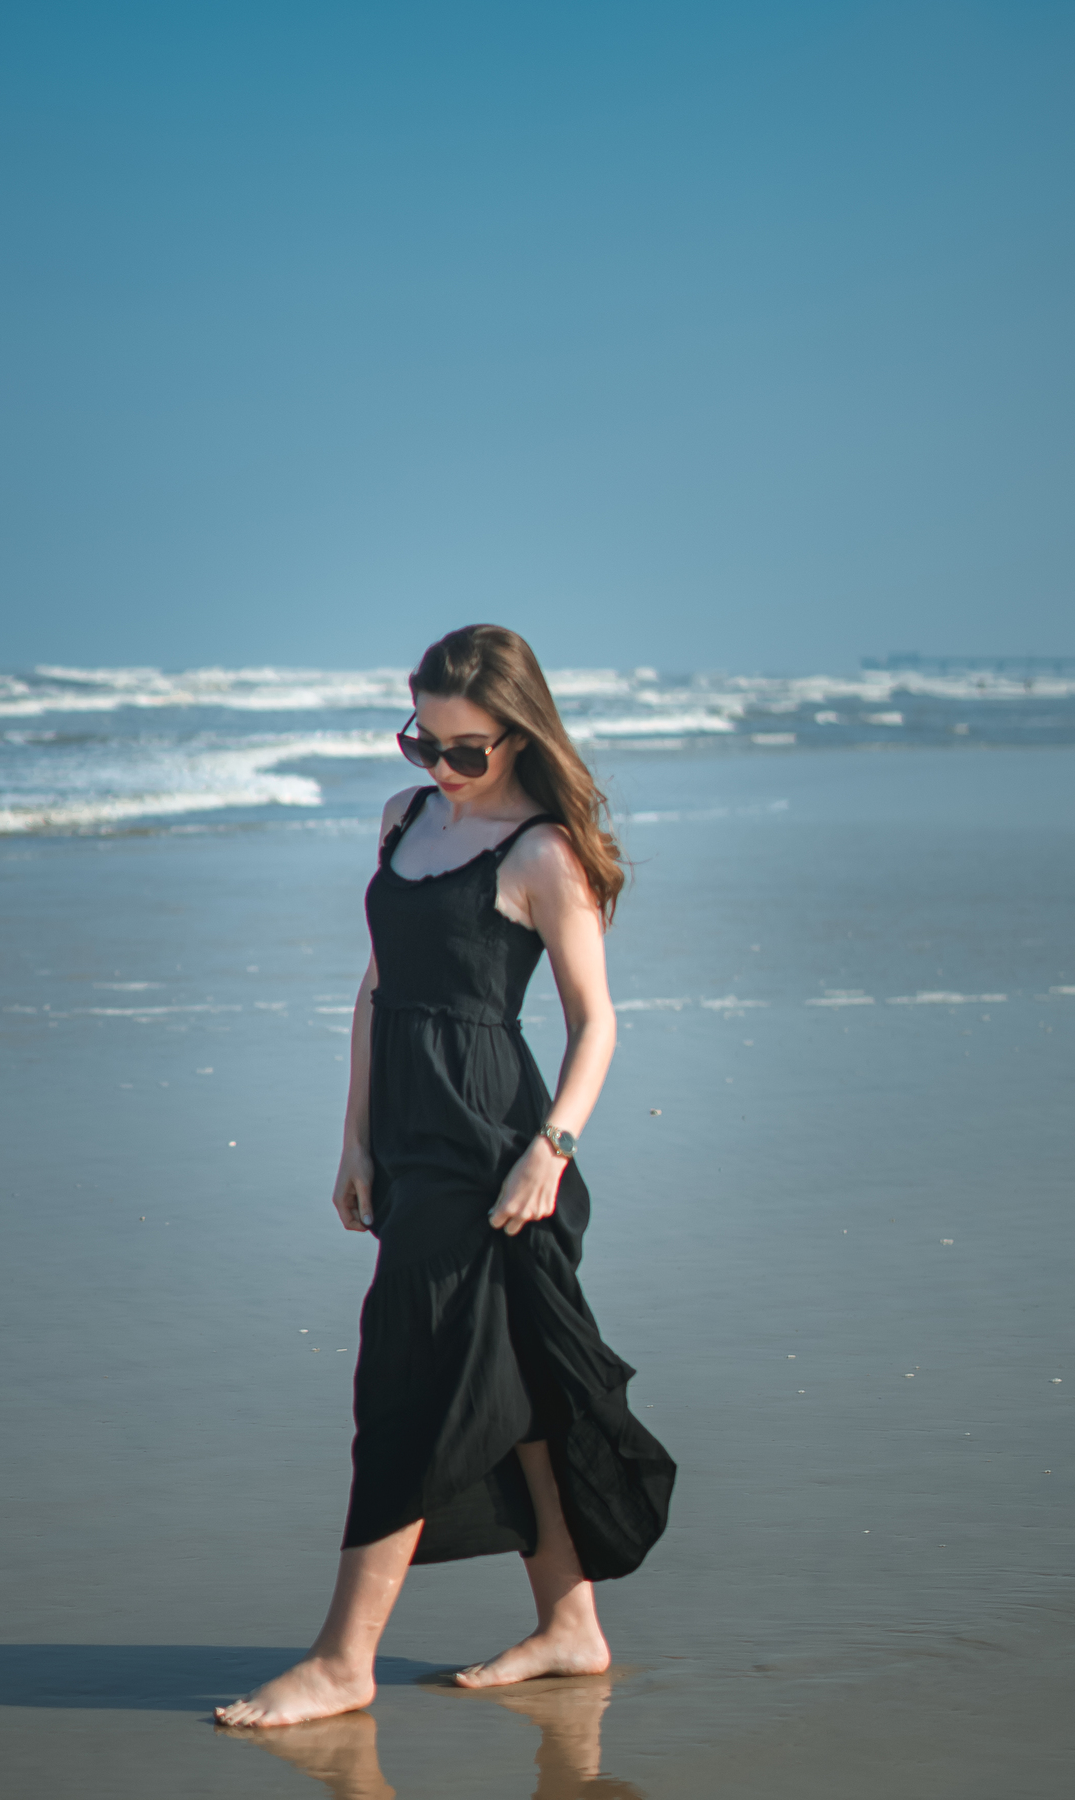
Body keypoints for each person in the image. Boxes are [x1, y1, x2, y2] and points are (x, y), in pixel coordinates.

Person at [217, 625, 674, 1730]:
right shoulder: (404, 819)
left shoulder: (540, 855)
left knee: (409, 1389)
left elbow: (595, 1023)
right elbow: (376, 991)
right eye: (422, 739)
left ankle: (342, 1659)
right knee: (508, 1393)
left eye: (464, 749)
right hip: (409, 1141)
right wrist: (354, 1140)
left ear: (519, 735)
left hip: (496, 1155)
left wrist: (549, 1151)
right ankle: (571, 1626)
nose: (439, 767)